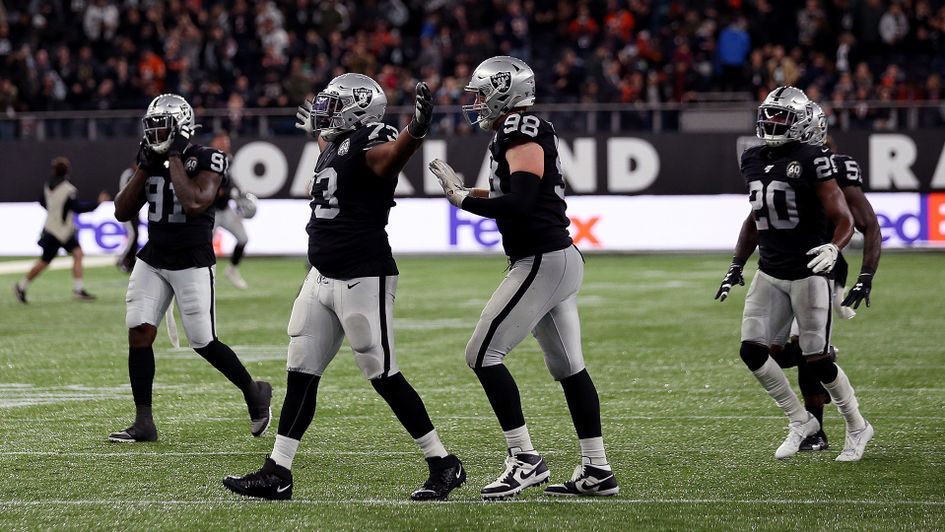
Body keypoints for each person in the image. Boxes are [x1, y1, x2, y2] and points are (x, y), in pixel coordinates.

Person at [223, 74, 465, 502]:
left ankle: (443, 463)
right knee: (300, 372)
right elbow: (343, 159)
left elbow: (387, 159)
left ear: (358, 110)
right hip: (320, 275)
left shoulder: (375, 137)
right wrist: (322, 136)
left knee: (383, 374)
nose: (325, 110)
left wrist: (416, 129)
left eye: (335, 104)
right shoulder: (336, 144)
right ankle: (278, 471)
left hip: (363, 275)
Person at [430, 55, 619, 499]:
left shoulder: (521, 129)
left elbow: (521, 202)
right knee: (570, 369)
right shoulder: (517, 131)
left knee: (481, 354)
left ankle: (524, 459)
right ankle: (596, 469)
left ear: (503, 92)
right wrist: (468, 192)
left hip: (542, 258)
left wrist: (462, 201)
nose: (475, 103)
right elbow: (511, 193)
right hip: (551, 258)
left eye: (481, 94)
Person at [715, 86, 873, 462]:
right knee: (751, 351)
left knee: (816, 358)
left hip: (808, 272)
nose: (771, 122)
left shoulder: (814, 157)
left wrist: (835, 246)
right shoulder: (752, 158)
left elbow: (845, 218)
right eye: (768, 114)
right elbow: (756, 217)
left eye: (781, 116)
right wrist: (736, 264)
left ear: (801, 122)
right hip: (769, 269)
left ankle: (857, 424)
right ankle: (800, 421)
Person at [110, 93, 272, 443]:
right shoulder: (151, 159)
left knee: (203, 341)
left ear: (182, 127)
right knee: (138, 331)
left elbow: (195, 202)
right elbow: (122, 211)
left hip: (192, 259)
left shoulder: (208, 157)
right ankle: (144, 422)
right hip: (154, 257)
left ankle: (253, 390)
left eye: (162, 128)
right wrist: (144, 166)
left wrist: (172, 158)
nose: (154, 134)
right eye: (150, 128)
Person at [13, 157, 109, 304]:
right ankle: (21, 286)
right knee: (46, 261)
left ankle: (78, 289)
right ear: (67, 170)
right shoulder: (68, 189)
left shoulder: (47, 186)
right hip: (61, 231)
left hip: (52, 228)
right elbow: (77, 208)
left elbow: (42, 202)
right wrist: (97, 203)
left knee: (76, 254)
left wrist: (54, 213)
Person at [209, 131, 252, 289]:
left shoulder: (228, 159)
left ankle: (232, 270)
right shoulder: (208, 159)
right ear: (214, 143)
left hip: (225, 208)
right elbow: (212, 187)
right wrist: (229, 192)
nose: (226, 145)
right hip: (209, 211)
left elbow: (229, 181)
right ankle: (206, 275)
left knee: (243, 239)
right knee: (205, 246)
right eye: (222, 142)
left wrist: (237, 191)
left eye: (227, 142)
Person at [116, 165, 139, 273]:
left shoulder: (136, 174)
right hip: (127, 209)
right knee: (132, 235)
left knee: (135, 235)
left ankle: (131, 260)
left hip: (135, 210)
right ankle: (121, 258)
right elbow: (123, 190)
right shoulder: (128, 174)